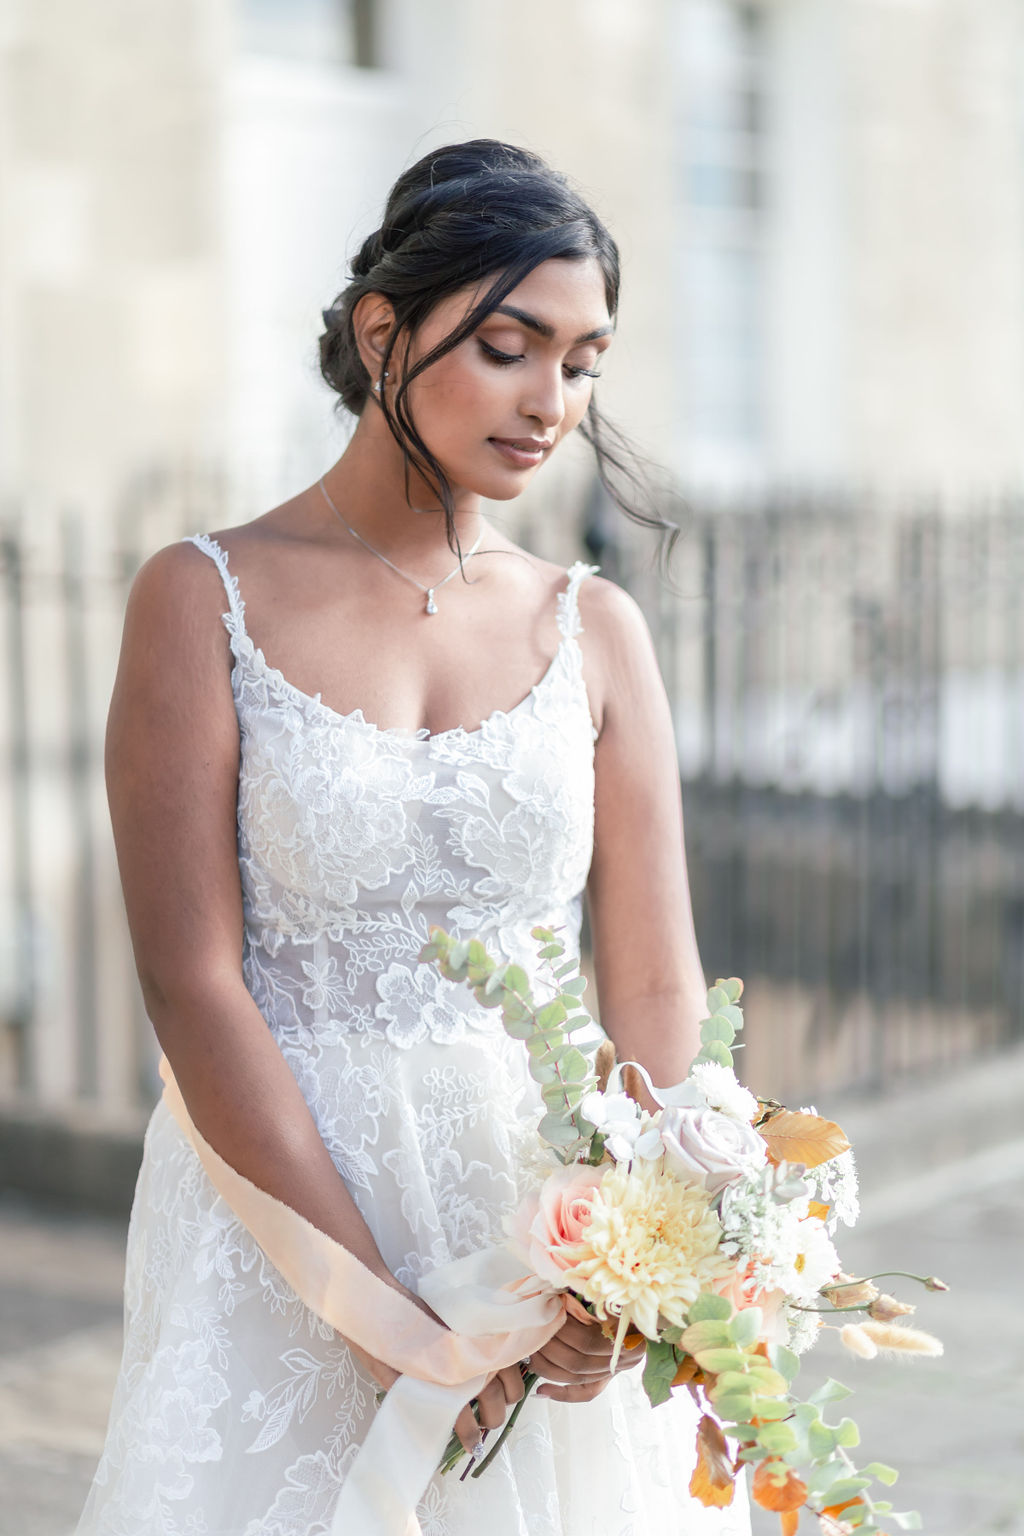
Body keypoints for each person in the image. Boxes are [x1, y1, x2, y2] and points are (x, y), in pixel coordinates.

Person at [75, 138, 750, 1535]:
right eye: (510, 346)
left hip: (534, 1221)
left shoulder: (595, 626)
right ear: (383, 328)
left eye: (582, 363)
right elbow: (192, 980)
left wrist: (627, 1270)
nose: (550, 401)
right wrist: (380, 1312)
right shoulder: (201, 600)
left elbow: (653, 986)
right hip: (285, 1216)